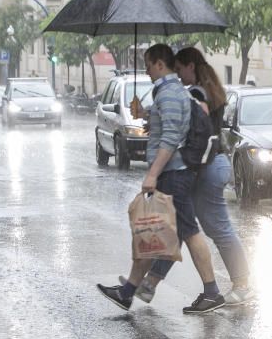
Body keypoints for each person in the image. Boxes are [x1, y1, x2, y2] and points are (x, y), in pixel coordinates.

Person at [97, 44, 226, 314]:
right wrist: (147, 116)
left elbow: (170, 138)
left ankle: (211, 291)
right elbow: (170, 127)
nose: (146, 69)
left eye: (147, 64)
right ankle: (130, 290)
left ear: (159, 64)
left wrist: (152, 173)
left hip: (174, 174)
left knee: (184, 231)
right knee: (154, 230)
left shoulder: (169, 94)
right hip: (176, 172)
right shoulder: (168, 93)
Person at [126, 47, 254, 305]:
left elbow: (190, 128)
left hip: (206, 167)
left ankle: (240, 285)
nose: (179, 74)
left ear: (190, 67)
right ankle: (149, 283)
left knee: (212, 228)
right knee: (181, 226)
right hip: (209, 165)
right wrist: (151, 117)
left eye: (180, 68)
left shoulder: (197, 94)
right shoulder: (207, 91)